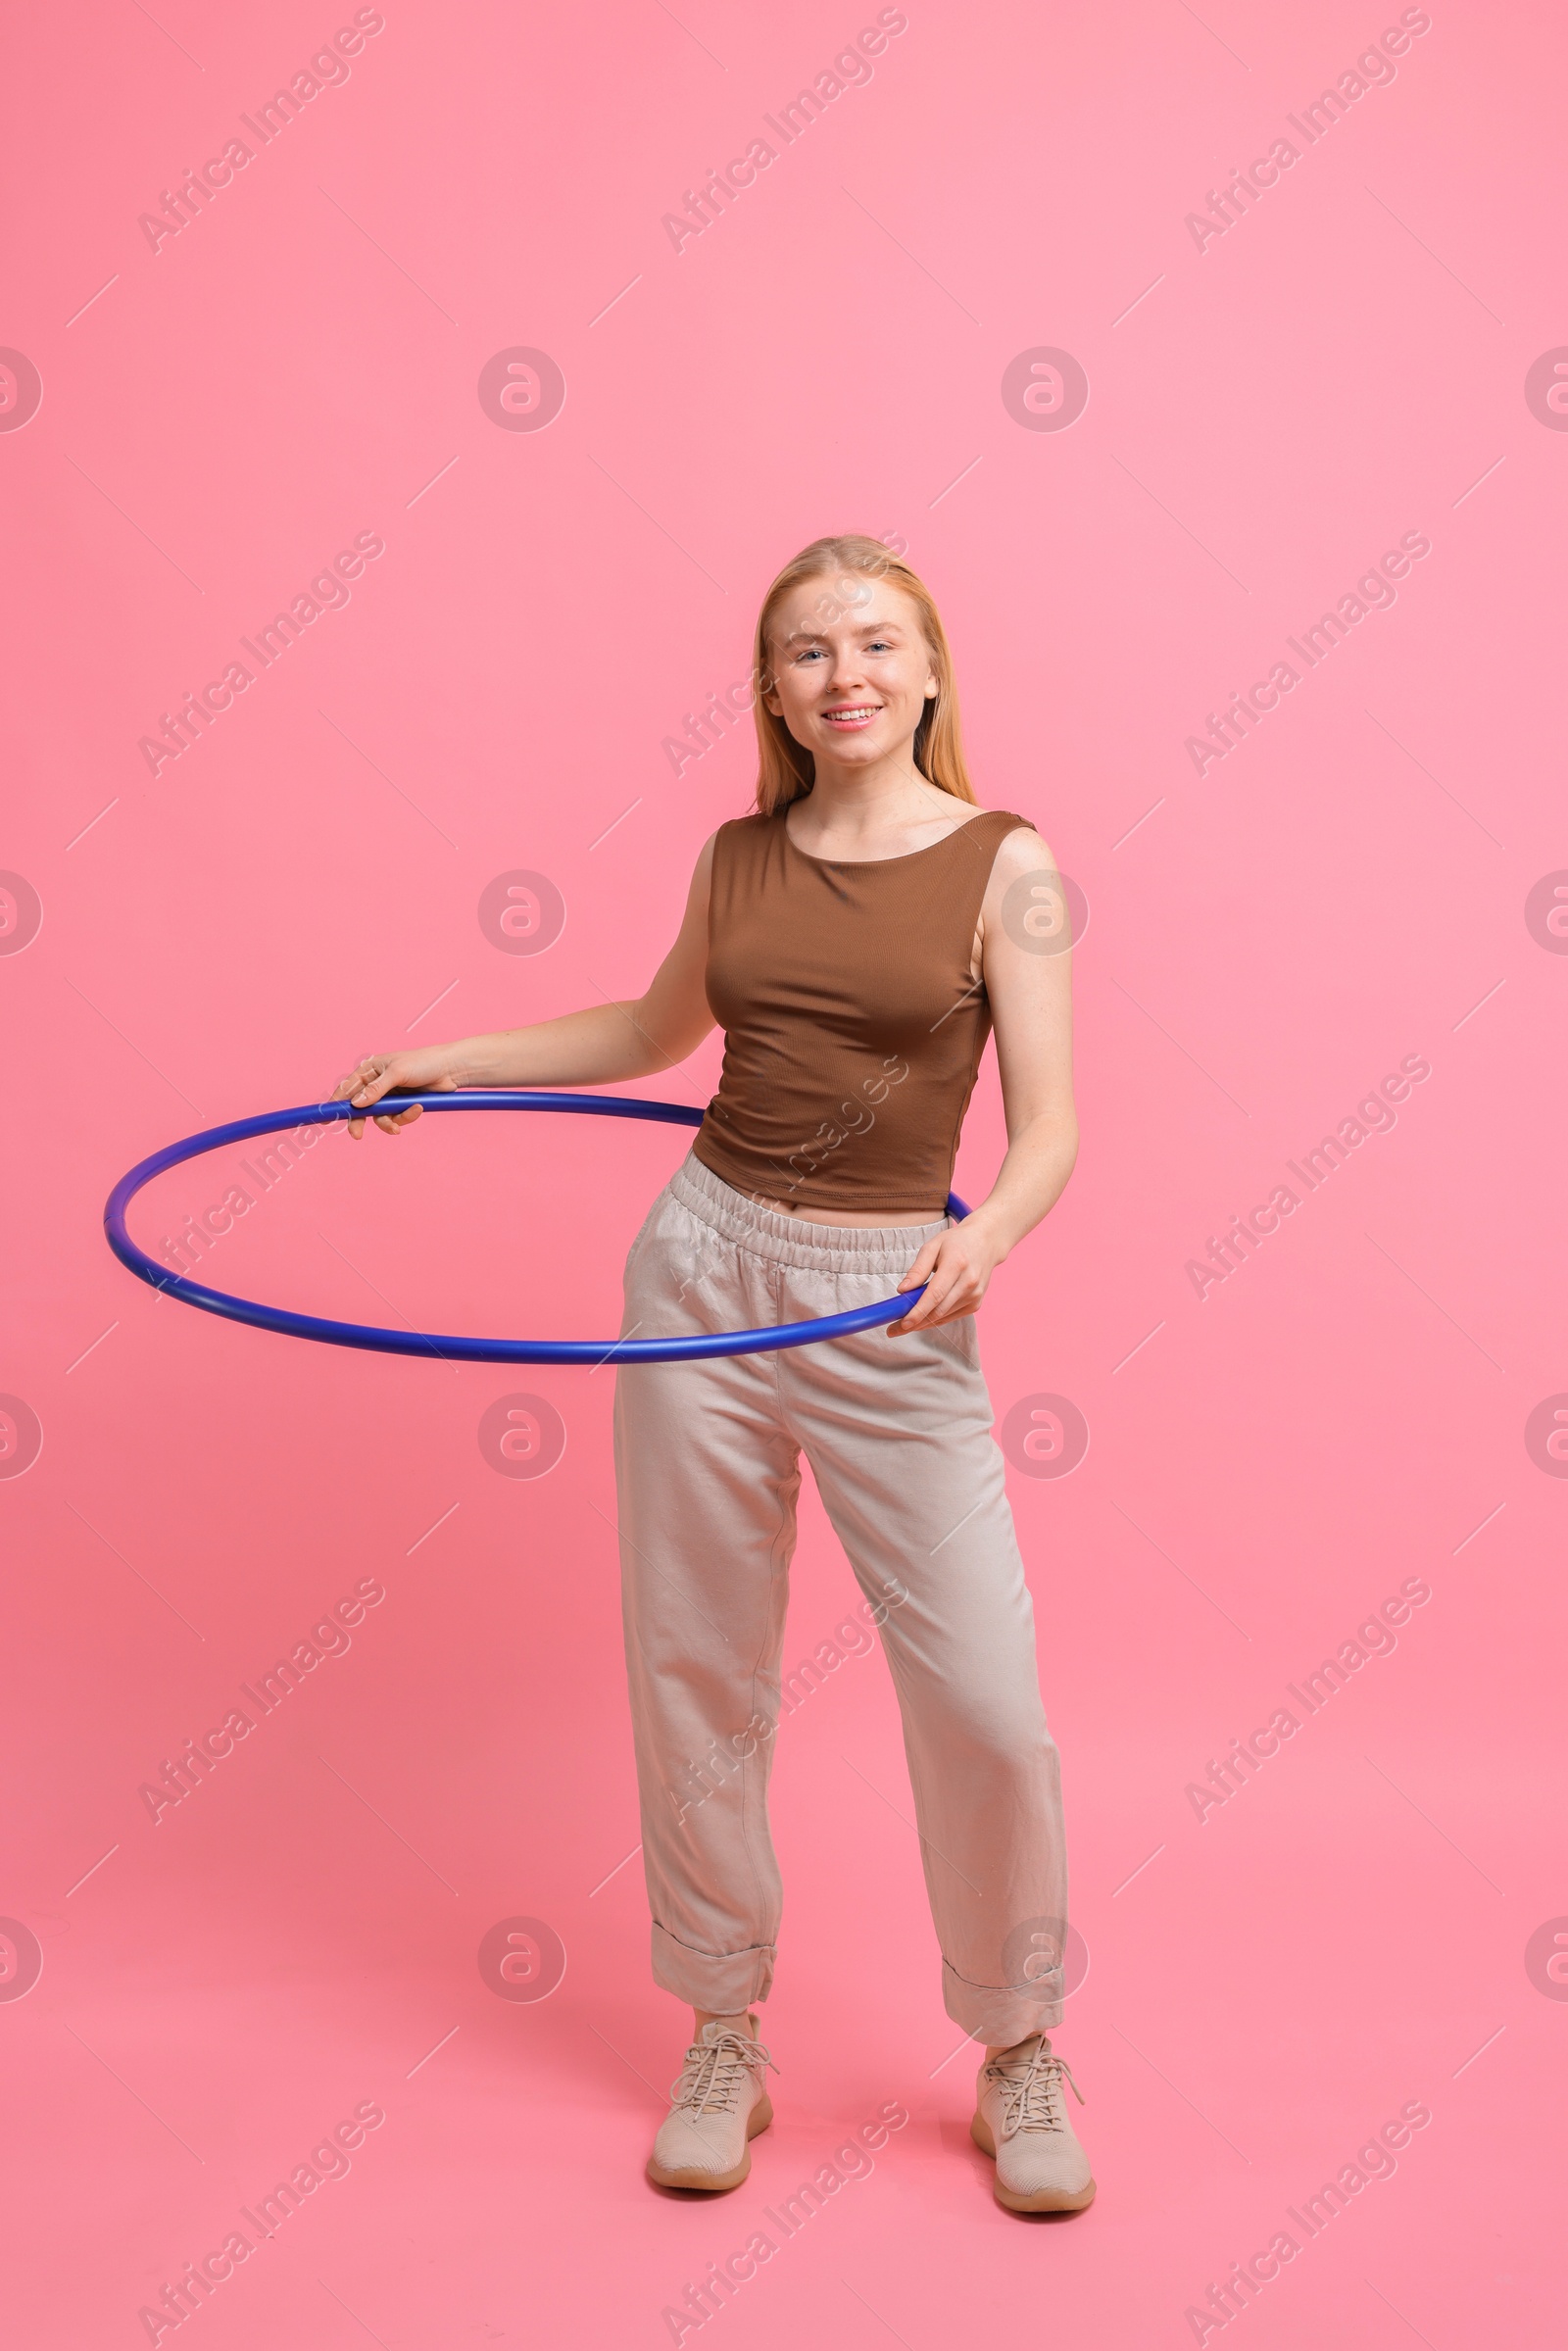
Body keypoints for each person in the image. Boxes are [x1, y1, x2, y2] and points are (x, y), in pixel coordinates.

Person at [332, 535, 1091, 2214]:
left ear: (932, 667)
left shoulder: (1006, 861)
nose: (848, 675)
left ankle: (1019, 2044)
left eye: (878, 643)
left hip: (893, 1297)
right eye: (810, 651)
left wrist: (991, 1239)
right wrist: (447, 1058)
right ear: (774, 690)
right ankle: (723, 2024)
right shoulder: (739, 854)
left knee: (985, 1701)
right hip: (702, 1276)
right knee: (697, 1669)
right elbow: (651, 1036)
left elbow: (1051, 1125)